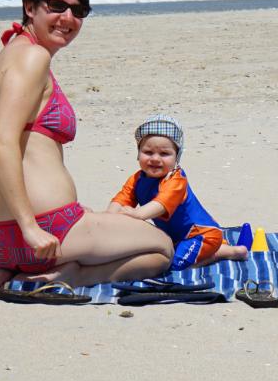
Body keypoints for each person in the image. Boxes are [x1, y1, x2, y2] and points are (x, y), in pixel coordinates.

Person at [0, 0, 172, 289]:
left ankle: (16, 270)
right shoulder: (33, 58)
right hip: (46, 232)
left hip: (0, 239)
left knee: (103, 224)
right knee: (161, 248)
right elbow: (0, 143)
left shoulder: (6, 57)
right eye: (56, 6)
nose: (68, 18)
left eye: (78, 10)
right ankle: (73, 274)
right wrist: (30, 226)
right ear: (30, 7)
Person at [107, 115, 250, 270]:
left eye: (164, 154)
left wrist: (137, 214)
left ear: (176, 158)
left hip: (202, 235)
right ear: (138, 153)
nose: (155, 159)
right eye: (148, 152)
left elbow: (161, 204)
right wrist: (108, 218)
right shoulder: (137, 179)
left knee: (172, 265)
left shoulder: (176, 180)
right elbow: (121, 200)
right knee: (160, 251)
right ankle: (235, 250)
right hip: (176, 237)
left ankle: (219, 254)